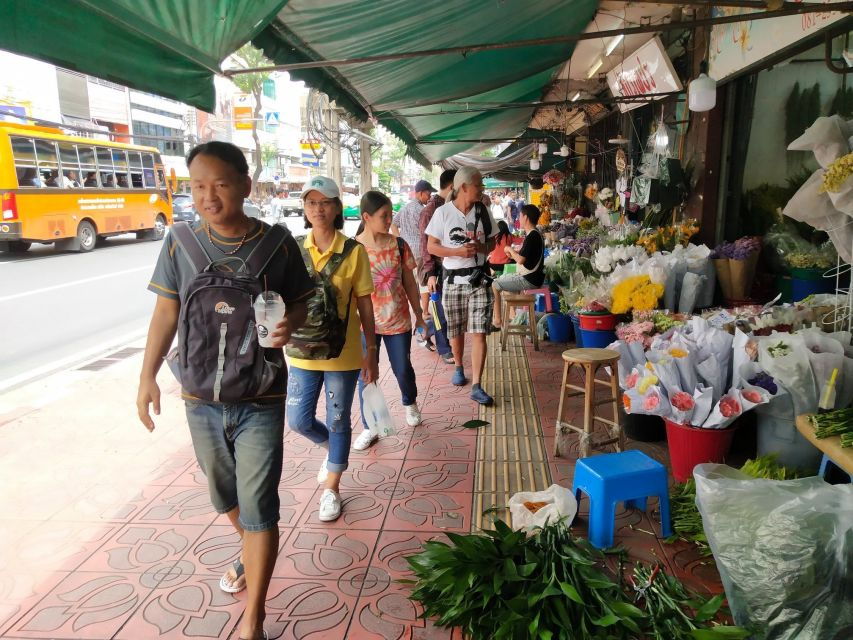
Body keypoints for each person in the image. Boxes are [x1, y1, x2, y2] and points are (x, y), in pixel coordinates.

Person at [137, 141, 313, 640]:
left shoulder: (277, 244)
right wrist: (147, 376)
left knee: (259, 504)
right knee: (224, 496)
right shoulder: (178, 243)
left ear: (244, 185)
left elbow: (299, 301)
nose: (207, 196)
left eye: (219, 184)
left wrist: (289, 326)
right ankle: (251, 547)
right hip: (200, 399)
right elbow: (166, 312)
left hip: (260, 396)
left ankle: (253, 620)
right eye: (197, 186)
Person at [285, 176, 378, 523]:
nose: (317, 209)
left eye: (325, 202)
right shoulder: (294, 248)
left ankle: (333, 489)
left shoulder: (354, 252)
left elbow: (366, 304)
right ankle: (331, 449)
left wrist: (372, 351)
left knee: (339, 419)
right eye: (311, 202)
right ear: (305, 208)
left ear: (337, 207)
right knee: (298, 420)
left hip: (344, 353)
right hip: (301, 353)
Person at [353, 191, 426, 450]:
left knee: (402, 368)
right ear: (366, 217)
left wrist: (420, 315)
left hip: (398, 321)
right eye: (384, 216)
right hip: (365, 325)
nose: (389, 220)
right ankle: (369, 426)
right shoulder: (354, 248)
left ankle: (410, 402)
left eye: (390, 215)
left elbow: (409, 282)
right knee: (367, 376)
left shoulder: (399, 245)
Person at [425, 167, 498, 406]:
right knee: (455, 330)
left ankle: (477, 384)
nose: (482, 189)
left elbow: (492, 243)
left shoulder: (484, 211)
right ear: (464, 187)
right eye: (479, 185)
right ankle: (458, 366)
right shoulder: (442, 213)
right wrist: (457, 251)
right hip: (453, 280)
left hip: (479, 280)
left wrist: (481, 248)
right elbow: (432, 247)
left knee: (479, 332)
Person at [418, 169, 457, 366]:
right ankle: (444, 348)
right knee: (441, 310)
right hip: (436, 269)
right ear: (452, 186)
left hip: (450, 267)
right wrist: (431, 273)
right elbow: (425, 245)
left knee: (447, 309)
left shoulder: (452, 206)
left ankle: (425, 332)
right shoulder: (430, 210)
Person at [491, 204, 546, 330]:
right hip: (533, 277)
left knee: (494, 284)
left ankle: (497, 321)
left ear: (526, 217)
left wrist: (510, 250)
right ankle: (513, 316)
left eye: (520, 216)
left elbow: (520, 260)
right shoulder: (534, 235)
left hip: (530, 278)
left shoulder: (533, 236)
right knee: (506, 280)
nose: (519, 219)